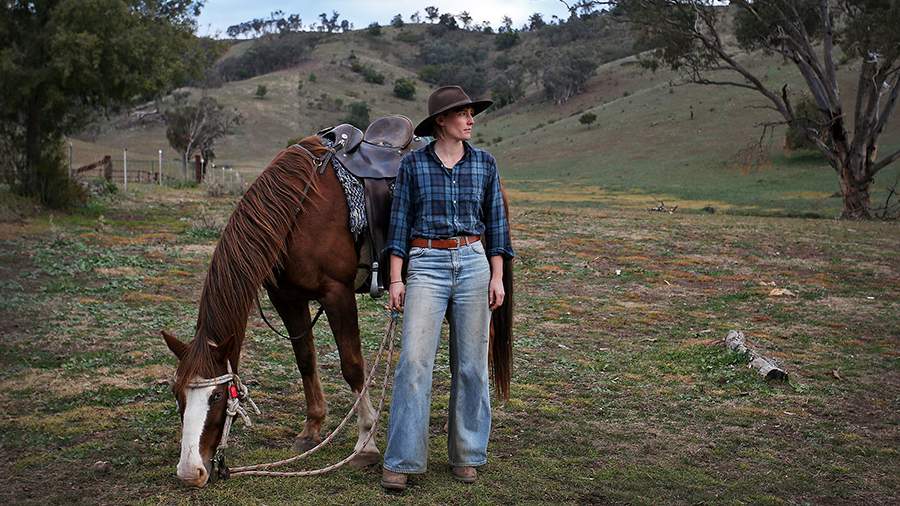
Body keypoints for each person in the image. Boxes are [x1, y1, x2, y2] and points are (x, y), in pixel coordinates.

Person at [380, 85, 514, 491]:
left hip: (473, 261)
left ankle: (468, 454)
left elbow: (497, 226)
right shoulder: (414, 166)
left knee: (471, 364)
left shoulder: (485, 164)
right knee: (414, 363)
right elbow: (399, 224)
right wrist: (396, 278)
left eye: (472, 114)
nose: (471, 120)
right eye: (463, 114)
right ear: (442, 121)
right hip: (426, 264)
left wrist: (497, 276)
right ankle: (402, 459)